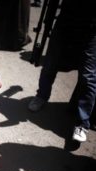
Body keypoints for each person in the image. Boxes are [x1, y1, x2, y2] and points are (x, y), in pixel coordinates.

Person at [28, 0, 96, 142]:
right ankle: (42, 95)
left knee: (88, 78)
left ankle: (82, 123)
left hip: (91, 29)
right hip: (66, 23)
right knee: (50, 65)